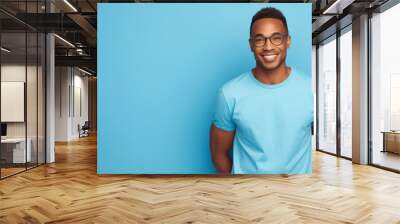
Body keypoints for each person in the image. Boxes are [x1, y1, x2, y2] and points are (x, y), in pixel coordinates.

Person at [209, 7, 313, 174]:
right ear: (251, 45)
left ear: (288, 41)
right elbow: (218, 154)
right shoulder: (229, 93)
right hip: (248, 196)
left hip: (297, 196)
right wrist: (240, 187)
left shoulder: (311, 89)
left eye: (276, 38)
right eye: (259, 40)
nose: (268, 46)